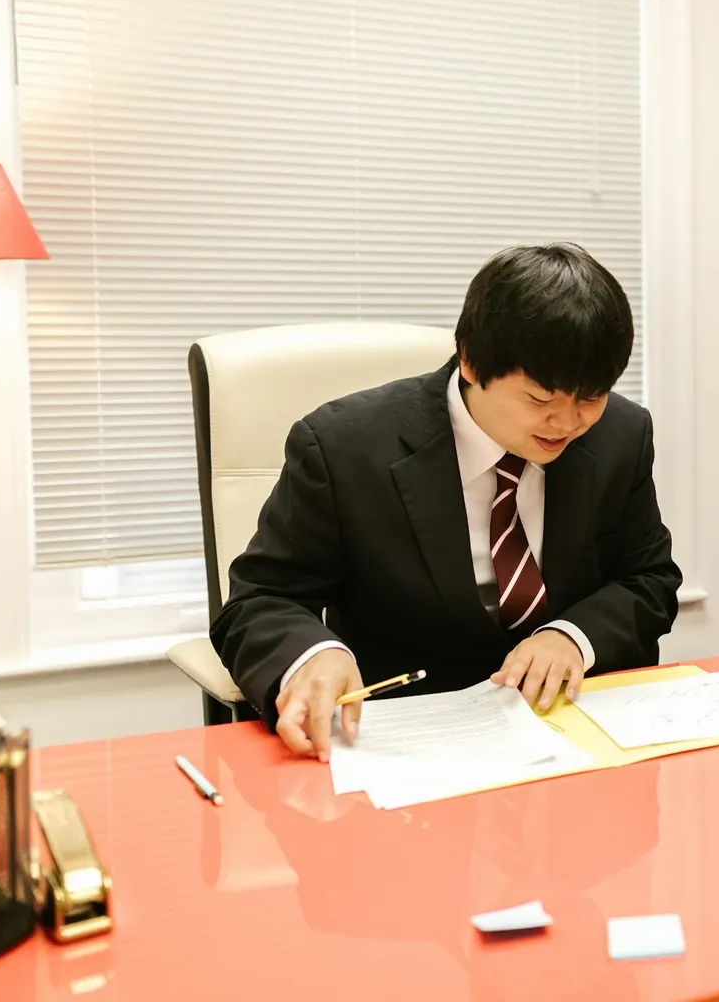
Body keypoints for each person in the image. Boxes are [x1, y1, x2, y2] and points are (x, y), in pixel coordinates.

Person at [211, 243, 682, 762]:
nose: (568, 424)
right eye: (541, 399)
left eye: (590, 398)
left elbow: (649, 579)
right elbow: (261, 599)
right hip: (408, 742)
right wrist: (312, 656)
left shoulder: (622, 433)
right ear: (472, 362)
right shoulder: (343, 447)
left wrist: (573, 636)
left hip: (569, 732)